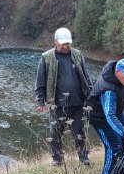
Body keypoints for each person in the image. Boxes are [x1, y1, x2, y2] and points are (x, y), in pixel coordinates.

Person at [35, 27, 92, 166]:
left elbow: (86, 77)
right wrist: (40, 101)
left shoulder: (77, 55)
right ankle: (57, 159)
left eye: (68, 43)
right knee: (55, 134)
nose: (66, 46)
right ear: (55, 41)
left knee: (79, 133)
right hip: (57, 105)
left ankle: (84, 158)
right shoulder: (46, 57)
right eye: (63, 44)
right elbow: (40, 80)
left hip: (78, 103)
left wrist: (91, 95)